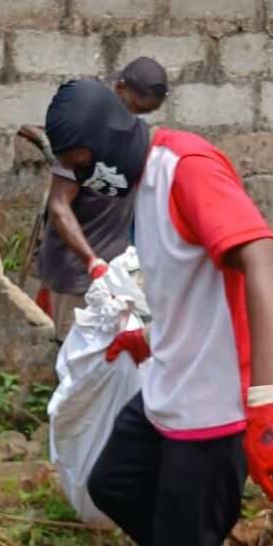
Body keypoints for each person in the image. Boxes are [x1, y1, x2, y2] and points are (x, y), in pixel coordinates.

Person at [44, 80, 273, 546]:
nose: (86, 180)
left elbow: (263, 259)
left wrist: (269, 402)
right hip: (170, 385)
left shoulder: (185, 167)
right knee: (112, 484)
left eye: (85, 164)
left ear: (111, 138)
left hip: (215, 409)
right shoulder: (141, 186)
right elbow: (188, 282)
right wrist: (148, 341)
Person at [19, 57, 168, 341]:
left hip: (116, 270)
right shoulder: (82, 132)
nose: (133, 117)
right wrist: (92, 262)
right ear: (119, 88)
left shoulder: (136, 136)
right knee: (74, 354)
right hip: (76, 271)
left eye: (143, 112)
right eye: (134, 107)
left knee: (114, 356)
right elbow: (59, 205)